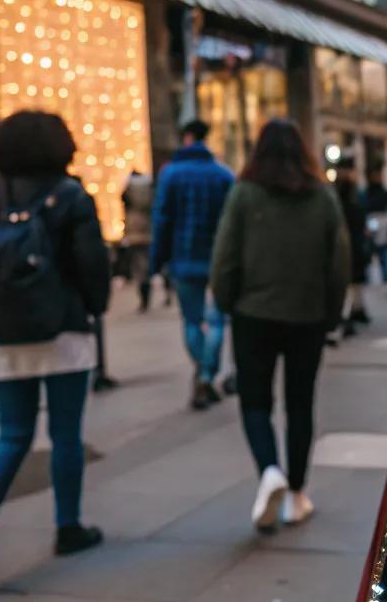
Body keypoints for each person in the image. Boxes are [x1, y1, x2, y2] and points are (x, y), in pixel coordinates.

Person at [0, 110, 111, 594]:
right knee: (65, 435)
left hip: (0, 333)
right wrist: (93, 308)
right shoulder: (71, 195)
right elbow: (91, 265)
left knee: (12, 435)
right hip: (60, 328)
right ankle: (68, 527)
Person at [211, 118, 349, 532]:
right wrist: (332, 314)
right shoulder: (322, 197)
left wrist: (226, 302)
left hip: (253, 315)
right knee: (300, 403)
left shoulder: (244, 194)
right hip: (307, 315)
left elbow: (225, 257)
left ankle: (270, 469)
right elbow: (339, 262)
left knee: (255, 401)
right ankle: (296, 494)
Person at [150, 119, 233, 409]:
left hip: (183, 256)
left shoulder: (171, 175)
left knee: (191, 320)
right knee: (218, 319)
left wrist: (156, 260)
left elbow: (161, 219)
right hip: (217, 257)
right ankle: (209, 373)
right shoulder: (222, 175)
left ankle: (202, 372)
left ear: (186, 137)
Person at [334, 156, 370, 335]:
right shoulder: (340, 191)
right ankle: (347, 314)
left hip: (355, 240)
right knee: (348, 280)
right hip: (346, 240)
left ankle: (355, 310)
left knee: (354, 280)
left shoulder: (354, 192)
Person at [121, 169, 156, 311]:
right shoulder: (151, 189)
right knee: (147, 263)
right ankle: (150, 288)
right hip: (149, 229)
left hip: (134, 230)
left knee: (138, 264)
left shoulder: (128, 191)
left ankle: (144, 296)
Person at [361, 168, 387, 285]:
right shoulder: (367, 193)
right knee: (370, 248)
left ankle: (386, 275)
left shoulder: (384, 192)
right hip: (372, 219)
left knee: (383, 248)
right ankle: (369, 276)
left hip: (381, 219)